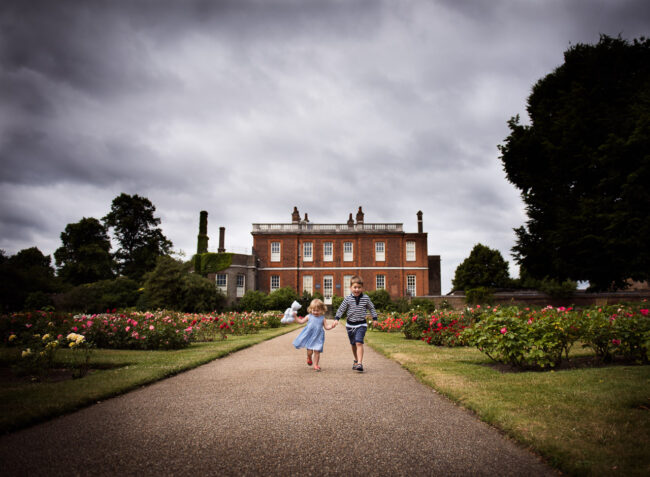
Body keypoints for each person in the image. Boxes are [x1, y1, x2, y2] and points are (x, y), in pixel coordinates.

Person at [334, 275, 378, 372]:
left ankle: (360, 363)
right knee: (353, 344)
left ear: (362, 288)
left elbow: (371, 308)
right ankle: (356, 360)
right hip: (350, 325)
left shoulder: (366, 298)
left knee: (359, 342)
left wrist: (375, 318)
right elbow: (341, 309)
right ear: (350, 288)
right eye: (355, 287)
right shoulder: (347, 299)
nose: (357, 290)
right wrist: (337, 318)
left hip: (361, 324)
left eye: (359, 287)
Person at [293, 298, 337, 371]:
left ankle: (316, 365)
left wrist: (332, 326)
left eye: (318, 310)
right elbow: (301, 321)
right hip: (310, 336)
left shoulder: (322, 318)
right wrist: (295, 317)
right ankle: (309, 357)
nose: (315, 312)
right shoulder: (309, 316)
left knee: (317, 351)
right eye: (314, 310)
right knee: (310, 351)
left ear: (322, 310)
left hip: (318, 337)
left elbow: (326, 327)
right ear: (311, 309)